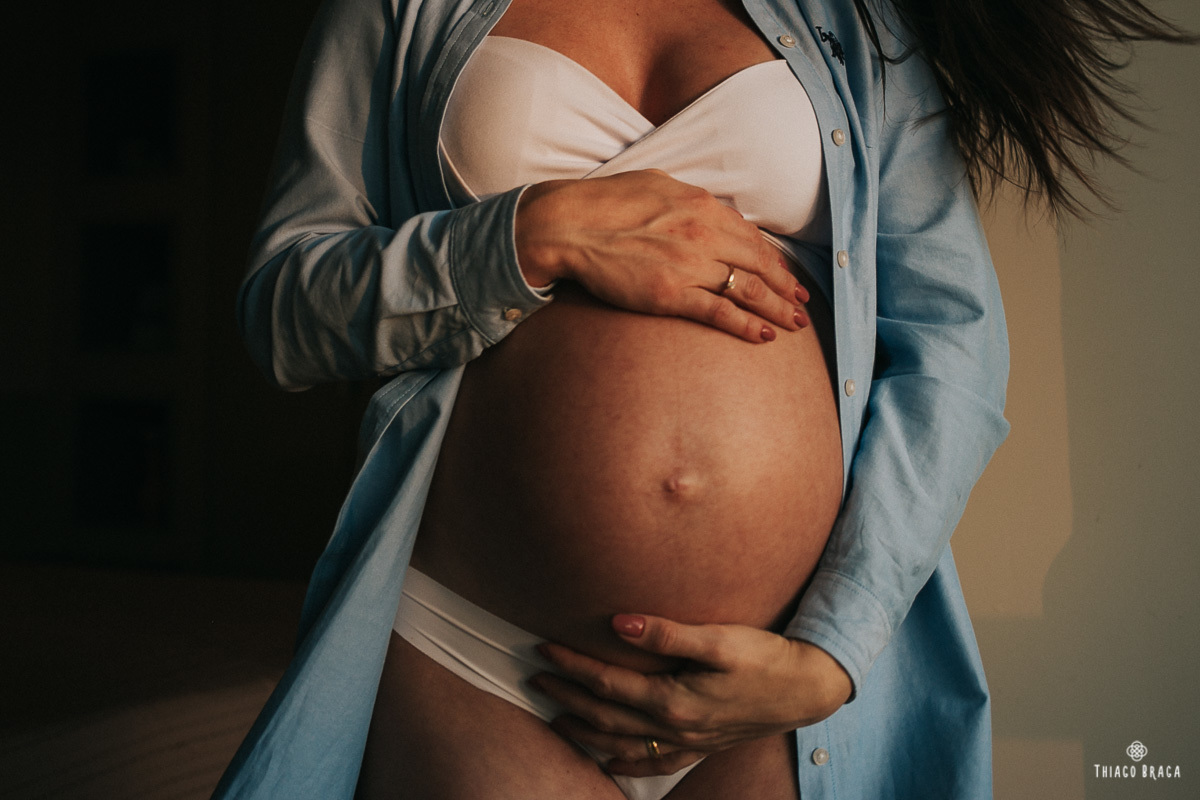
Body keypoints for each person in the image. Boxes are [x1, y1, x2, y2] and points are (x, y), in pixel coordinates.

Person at [214, 0, 1192, 798]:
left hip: (766, 686)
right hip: (478, 653)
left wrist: (830, 657)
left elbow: (953, 347)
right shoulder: (400, 9)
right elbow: (287, 306)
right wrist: (535, 233)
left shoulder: (856, 26)